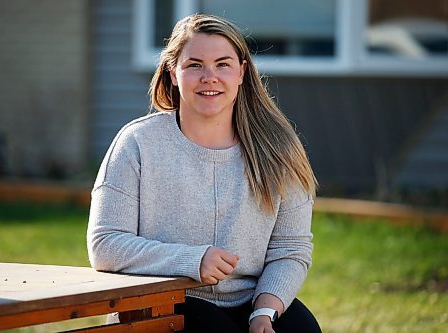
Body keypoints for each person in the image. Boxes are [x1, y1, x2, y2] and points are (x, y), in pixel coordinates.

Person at [87, 13, 321, 333]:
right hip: (161, 300)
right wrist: (192, 260)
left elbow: (290, 250)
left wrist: (265, 311)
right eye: (194, 65)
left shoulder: (279, 148)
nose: (209, 76)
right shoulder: (137, 143)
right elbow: (105, 244)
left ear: (241, 72)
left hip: (251, 301)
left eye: (223, 64)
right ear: (173, 73)